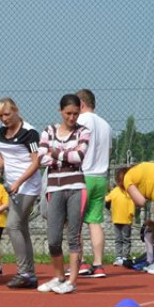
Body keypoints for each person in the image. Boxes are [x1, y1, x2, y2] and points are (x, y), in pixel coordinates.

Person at [37, 94, 91, 294]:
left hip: (76, 187)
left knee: (74, 236)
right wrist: (65, 156)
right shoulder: (48, 131)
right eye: (68, 113)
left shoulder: (83, 131)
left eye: (75, 114)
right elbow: (41, 158)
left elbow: (79, 156)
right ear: (60, 111)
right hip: (54, 188)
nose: (72, 117)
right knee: (53, 239)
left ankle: (72, 281)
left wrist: (54, 153)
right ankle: (59, 276)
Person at [0, 98, 42, 289]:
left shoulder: (30, 133)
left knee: (12, 225)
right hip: (12, 187)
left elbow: (36, 162)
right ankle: (30, 275)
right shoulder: (2, 132)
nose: (4, 119)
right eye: (1, 116)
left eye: (7, 114)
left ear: (16, 110)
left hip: (28, 187)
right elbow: (3, 159)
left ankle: (23, 272)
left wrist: (19, 181)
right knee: (22, 228)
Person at [76, 88, 112, 278]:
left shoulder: (80, 121)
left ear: (81, 104)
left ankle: (80, 262)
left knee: (74, 222)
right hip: (100, 176)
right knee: (95, 222)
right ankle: (98, 264)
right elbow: (109, 152)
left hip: (82, 175)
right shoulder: (106, 125)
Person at [106, 167, 135, 266]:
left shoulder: (128, 192)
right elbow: (107, 199)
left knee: (125, 239)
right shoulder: (116, 191)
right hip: (117, 219)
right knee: (119, 239)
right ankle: (119, 257)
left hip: (126, 220)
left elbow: (132, 204)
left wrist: (131, 213)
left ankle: (125, 257)